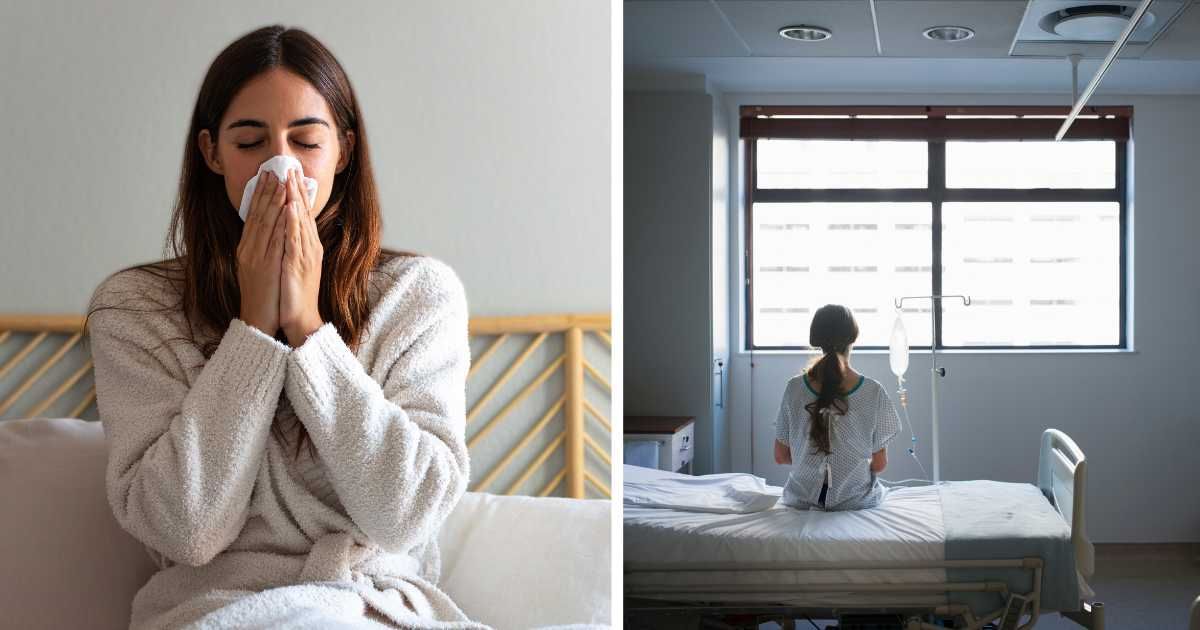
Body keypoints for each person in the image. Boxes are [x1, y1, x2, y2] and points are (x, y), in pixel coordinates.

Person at [83, 25, 485, 629]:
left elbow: (405, 515)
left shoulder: (417, 296)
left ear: (344, 150)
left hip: (365, 605)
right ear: (211, 151)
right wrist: (252, 331)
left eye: (305, 141)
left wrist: (307, 328)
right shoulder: (136, 308)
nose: (281, 166)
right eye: (251, 142)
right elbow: (187, 531)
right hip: (209, 609)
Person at [772, 304, 902, 511]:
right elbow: (879, 465)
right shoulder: (873, 391)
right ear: (853, 337)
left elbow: (781, 457)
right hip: (855, 501)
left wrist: (811, 465)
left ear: (816, 339)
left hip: (801, 500)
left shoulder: (794, 388)